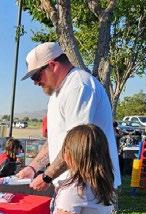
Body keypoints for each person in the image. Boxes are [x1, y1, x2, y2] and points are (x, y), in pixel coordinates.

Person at [17, 42, 121, 191]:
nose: (35, 82)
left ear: (53, 65)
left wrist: (47, 176)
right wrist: (33, 167)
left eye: (36, 76)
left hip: (89, 186)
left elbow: (77, 144)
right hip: (70, 184)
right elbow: (56, 139)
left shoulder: (79, 86)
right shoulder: (58, 93)